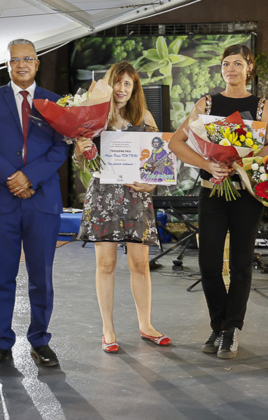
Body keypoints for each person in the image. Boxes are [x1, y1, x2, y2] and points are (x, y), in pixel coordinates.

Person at [168, 44, 268, 359]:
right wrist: (208, 164)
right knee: (208, 263)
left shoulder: (261, 106)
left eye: (238, 64)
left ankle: (232, 330)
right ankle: (217, 325)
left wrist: (245, 161)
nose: (231, 69)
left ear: (249, 68)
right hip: (212, 190)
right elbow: (177, 142)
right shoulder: (206, 103)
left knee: (242, 263)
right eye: (226, 64)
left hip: (246, 193)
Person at [0, 39, 68, 371]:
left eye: (28, 58)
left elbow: (60, 149)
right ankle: (2, 344)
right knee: (2, 275)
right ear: (8, 64)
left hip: (42, 201)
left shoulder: (56, 103)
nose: (22, 64)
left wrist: (29, 178)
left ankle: (40, 341)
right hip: (2, 199)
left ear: (37, 63)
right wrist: (12, 177)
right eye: (15, 60)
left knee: (41, 275)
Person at [75, 61, 170, 353]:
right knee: (106, 264)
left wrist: (152, 184)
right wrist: (81, 151)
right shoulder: (93, 117)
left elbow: (159, 161)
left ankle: (146, 325)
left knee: (140, 264)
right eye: (118, 82)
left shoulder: (145, 116)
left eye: (128, 84)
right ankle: (108, 330)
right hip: (103, 195)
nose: (122, 88)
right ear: (109, 83)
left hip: (136, 196)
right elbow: (81, 163)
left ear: (134, 89)